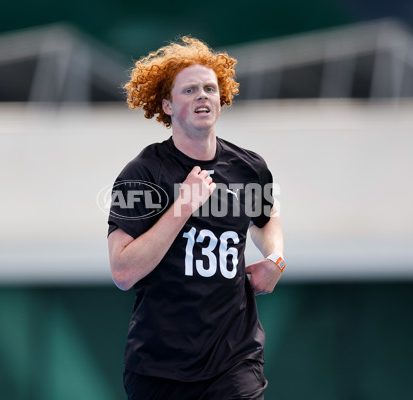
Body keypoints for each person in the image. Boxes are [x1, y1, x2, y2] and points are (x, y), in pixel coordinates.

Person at [107, 36, 285, 400]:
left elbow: (268, 219)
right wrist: (182, 207)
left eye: (209, 88)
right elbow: (123, 272)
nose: (203, 95)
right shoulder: (143, 173)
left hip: (235, 358)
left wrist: (275, 259)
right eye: (189, 90)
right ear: (167, 105)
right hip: (160, 367)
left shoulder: (248, 167)